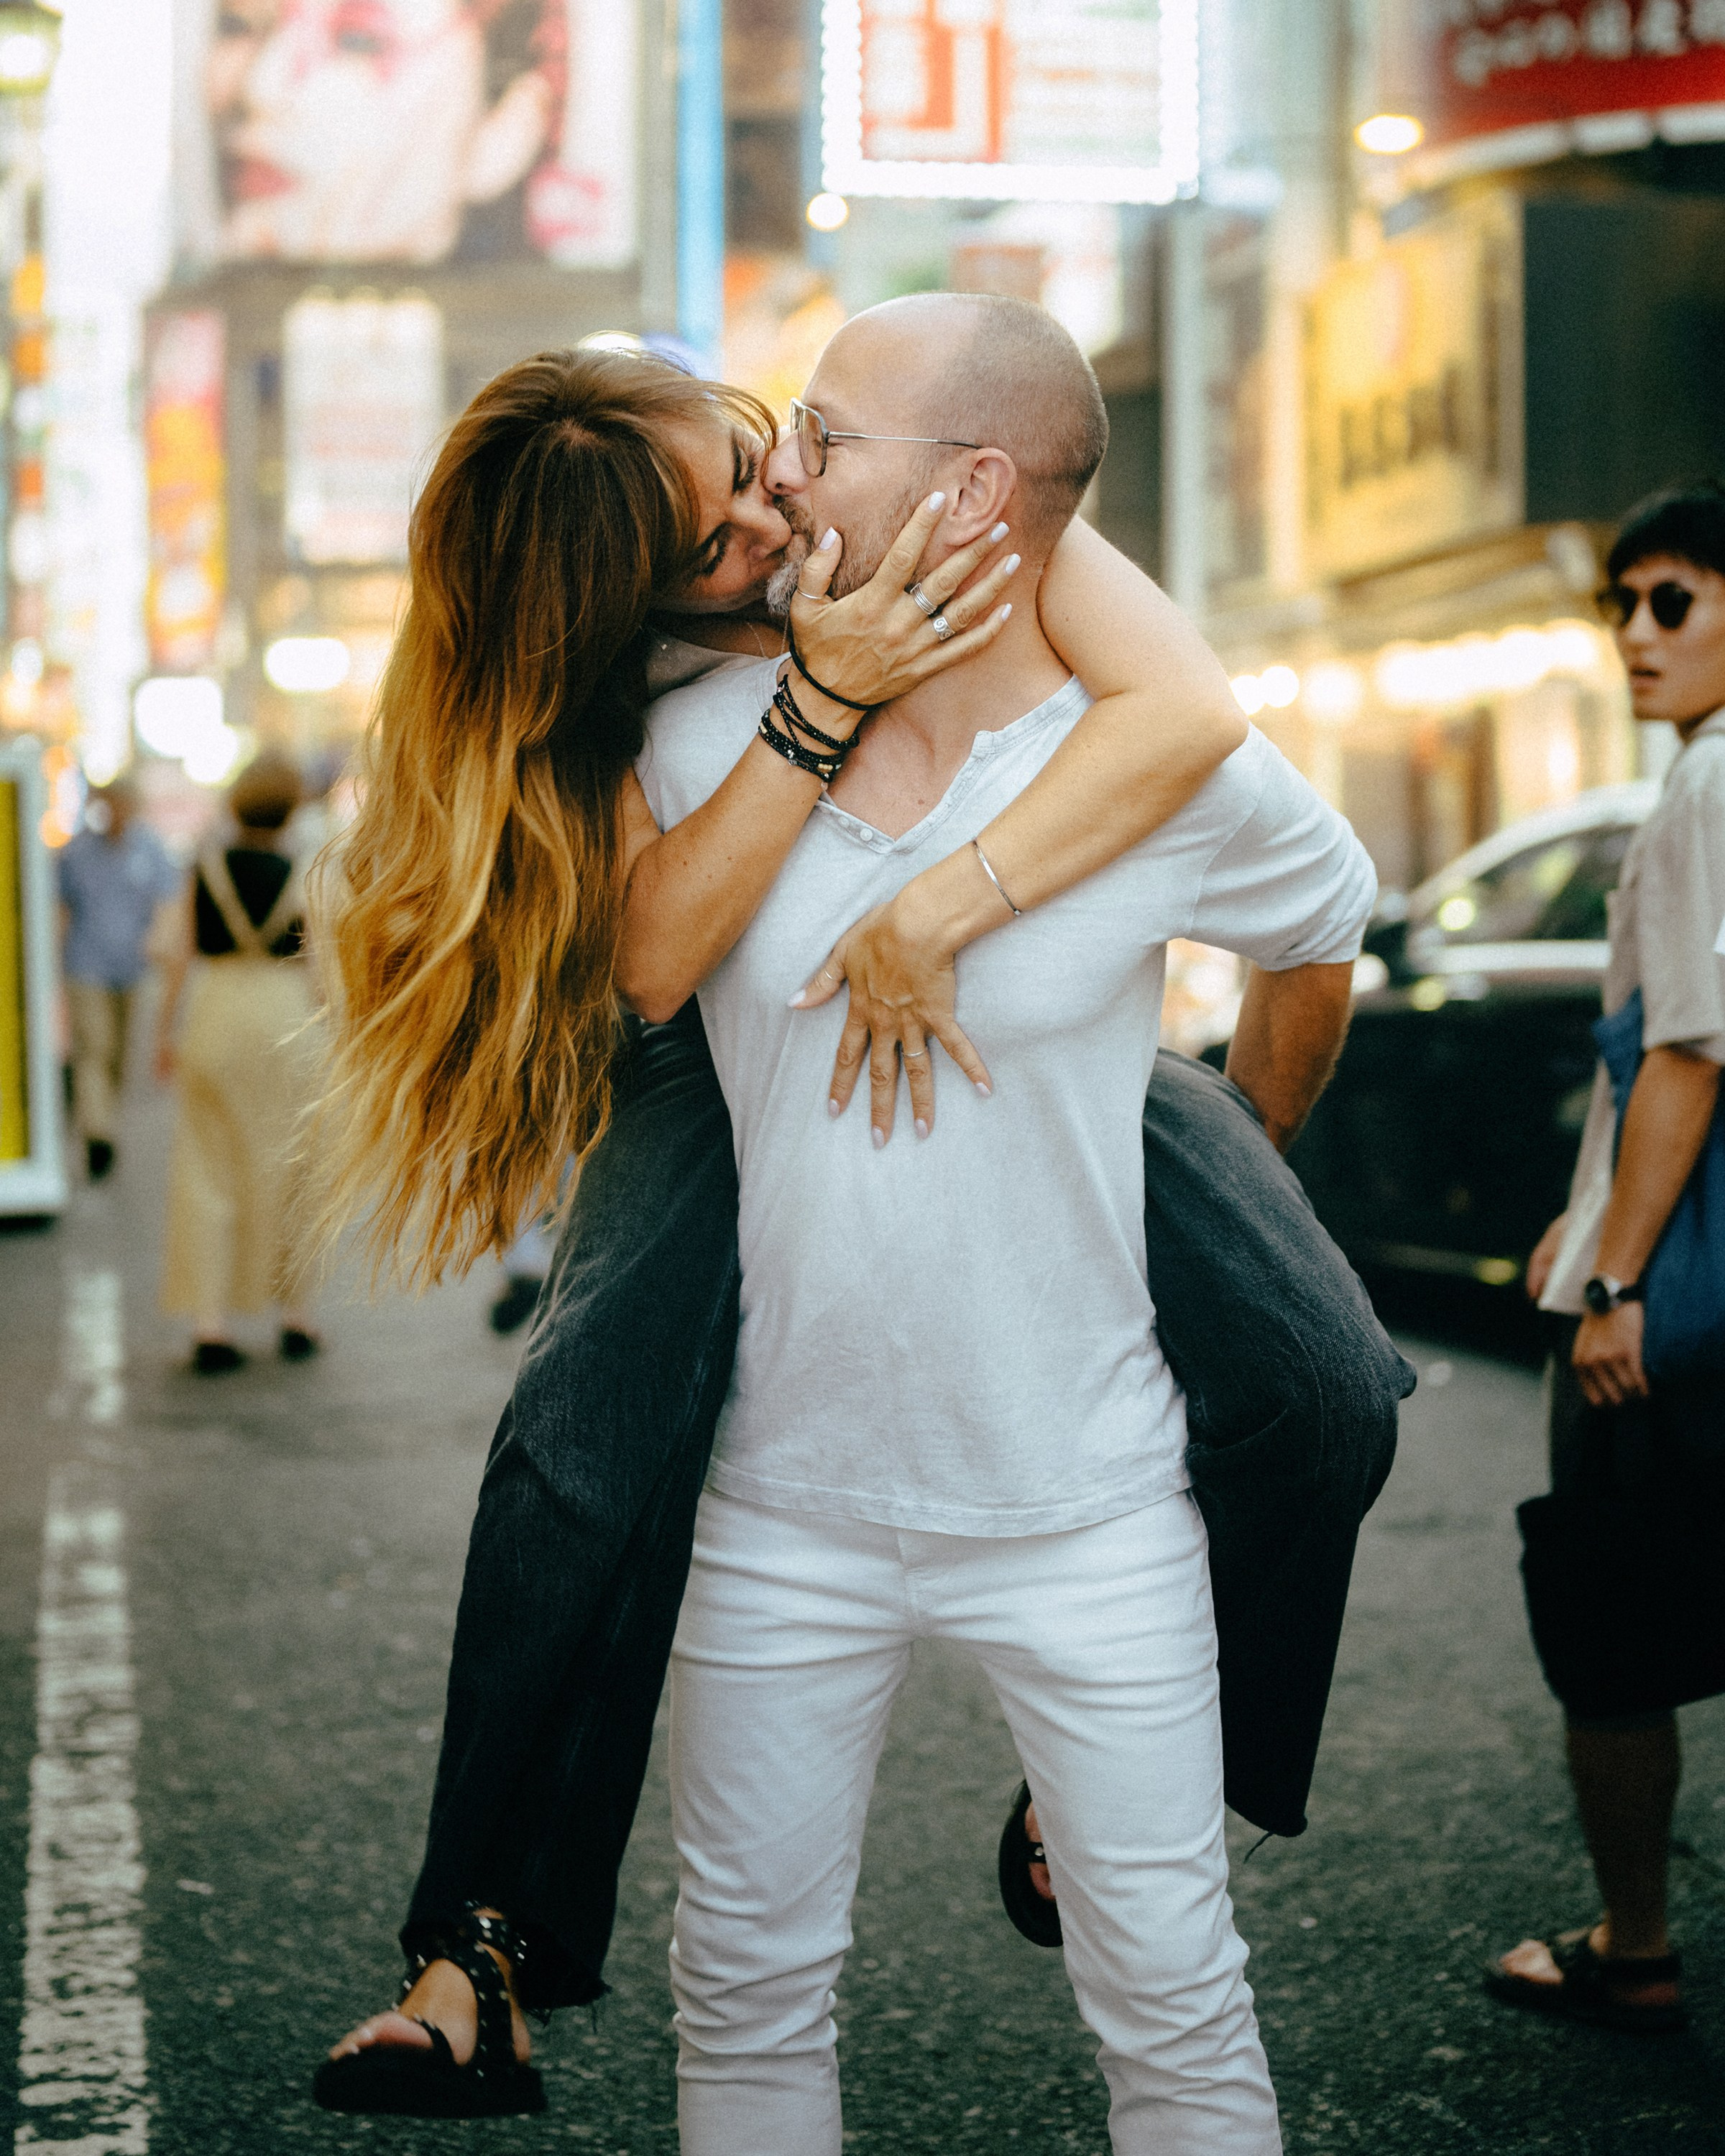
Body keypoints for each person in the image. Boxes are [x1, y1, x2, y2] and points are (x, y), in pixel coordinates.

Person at [310, 334, 1407, 2123]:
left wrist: (1199, 1133)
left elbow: (1203, 736)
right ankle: (478, 1944)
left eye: (770, 449)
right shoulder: (643, 700)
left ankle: (1120, 1778)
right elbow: (654, 956)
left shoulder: (992, 571)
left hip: (1060, 1177)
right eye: (724, 523)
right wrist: (811, 702)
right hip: (710, 1040)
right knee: (584, 1425)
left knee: (1319, 1381)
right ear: (636, 594)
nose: (776, 505)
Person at [1488, 484, 1725, 2036]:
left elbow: (1688, 1056)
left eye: (1675, 602)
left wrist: (1616, 1279)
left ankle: (1632, 1944)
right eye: (1620, 605)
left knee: (1614, 1627)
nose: (1637, 634)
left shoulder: (1708, 784)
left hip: (1687, 1306)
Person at [155, 752, 322, 1374]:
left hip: (216, 1013)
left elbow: (181, 957)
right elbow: (321, 969)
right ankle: (296, 1317)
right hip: (285, 1018)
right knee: (295, 1168)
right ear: (291, 809)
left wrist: (163, 1034)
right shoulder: (305, 871)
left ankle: (211, 1324)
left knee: (207, 1168)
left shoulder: (205, 869)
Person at [56, 776, 180, 1181]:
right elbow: (61, 909)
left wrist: (159, 943)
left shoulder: (151, 850)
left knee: (119, 1056)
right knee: (95, 1048)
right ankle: (98, 1132)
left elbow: (168, 905)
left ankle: (102, 1115)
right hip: (86, 966)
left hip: (133, 969)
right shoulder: (77, 853)